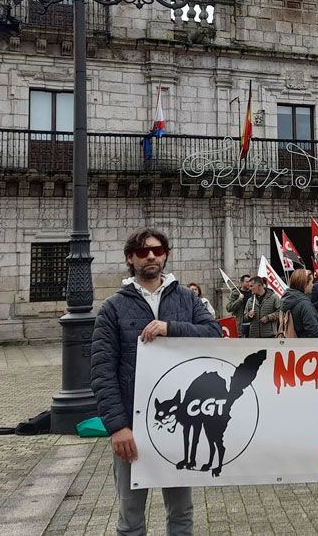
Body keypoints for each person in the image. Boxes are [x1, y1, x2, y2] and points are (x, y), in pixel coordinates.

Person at [90, 228, 223, 536]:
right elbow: (101, 372)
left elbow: (214, 334)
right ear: (130, 259)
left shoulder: (187, 299)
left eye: (158, 249)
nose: (151, 255)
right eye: (142, 251)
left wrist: (170, 327)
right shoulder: (113, 308)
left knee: (181, 512)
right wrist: (117, 427)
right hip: (132, 428)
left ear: (165, 254)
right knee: (131, 515)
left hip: (179, 425)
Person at [281, 269, 318, 338]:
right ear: (304, 284)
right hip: (307, 346)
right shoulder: (304, 304)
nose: (313, 285)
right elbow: (314, 330)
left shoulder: (287, 299)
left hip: (293, 345)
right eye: (311, 282)